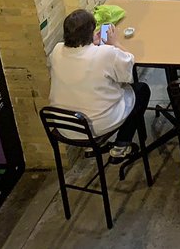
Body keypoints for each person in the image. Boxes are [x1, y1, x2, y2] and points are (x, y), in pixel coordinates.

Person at [49, 8, 150, 160]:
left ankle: (94, 146)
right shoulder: (106, 53)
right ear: (90, 32)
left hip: (65, 125)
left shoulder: (56, 51)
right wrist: (114, 43)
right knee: (141, 90)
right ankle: (122, 144)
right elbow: (129, 62)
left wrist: (91, 43)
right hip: (96, 125)